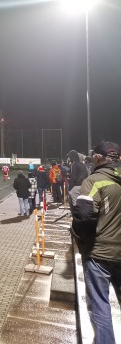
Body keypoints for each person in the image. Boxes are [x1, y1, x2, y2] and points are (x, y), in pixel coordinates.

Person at [71, 141, 121, 344]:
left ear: (98, 158)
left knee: (100, 307)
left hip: (100, 254)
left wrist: (80, 239)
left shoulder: (94, 181)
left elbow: (84, 217)